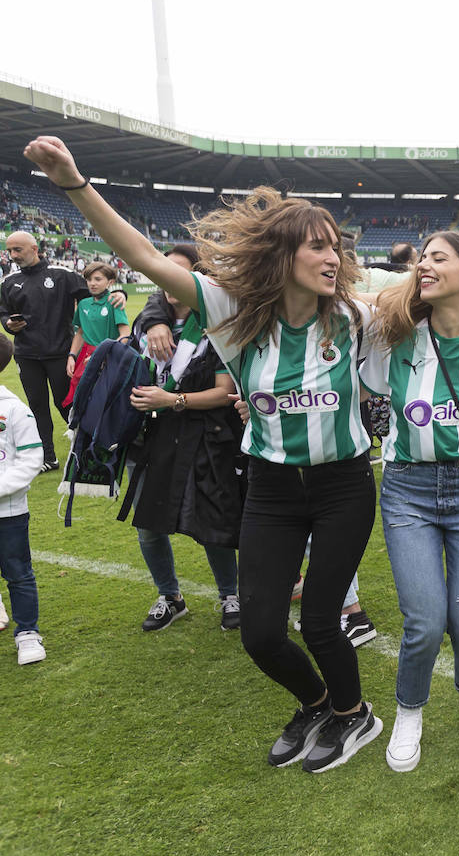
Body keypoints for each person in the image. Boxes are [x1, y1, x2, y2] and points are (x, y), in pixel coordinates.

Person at [25, 135, 384, 773]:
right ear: (283, 254)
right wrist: (73, 183)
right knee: (262, 632)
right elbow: (138, 254)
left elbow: (442, 298)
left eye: (336, 244)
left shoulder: (354, 317)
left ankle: (355, 716)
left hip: (343, 488)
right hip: (272, 490)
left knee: (324, 620)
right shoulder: (232, 311)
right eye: (318, 244)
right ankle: (317, 701)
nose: (333, 256)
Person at [365, 231, 459, 769]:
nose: (423, 265)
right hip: (408, 491)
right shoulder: (396, 336)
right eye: (421, 258)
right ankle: (410, 707)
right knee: (426, 620)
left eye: (437, 259)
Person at [125, 244, 243, 633]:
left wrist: (171, 399)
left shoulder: (217, 322)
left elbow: (224, 392)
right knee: (149, 524)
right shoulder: (148, 321)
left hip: (203, 436)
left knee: (212, 518)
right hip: (151, 437)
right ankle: (169, 596)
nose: (167, 277)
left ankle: (231, 594)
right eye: (161, 270)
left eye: (177, 271)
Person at [1, 230, 127, 471]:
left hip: (60, 353)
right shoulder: (8, 281)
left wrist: (119, 293)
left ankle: (88, 447)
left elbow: (95, 292)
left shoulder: (62, 275)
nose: (13, 255)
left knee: (66, 404)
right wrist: (8, 323)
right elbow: (4, 312)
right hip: (27, 355)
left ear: (34, 249)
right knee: (36, 405)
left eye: (17, 249)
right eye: (10, 251)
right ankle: (48, 457)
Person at [0, 335, 47, 664]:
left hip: (9, 513)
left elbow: (32, 459)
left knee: (18, 572)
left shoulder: (13, 409)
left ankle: (28, 634)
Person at [65, 261, 130, 404]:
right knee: (81, 395)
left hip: (108, 356)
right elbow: (81, 333)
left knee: (103, 398)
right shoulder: (83, 304)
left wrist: (105, 354)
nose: (92, 283)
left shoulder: (114, 301)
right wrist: (71, 356)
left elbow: (125, 333)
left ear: (110, 282)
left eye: (98, 279)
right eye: (89, 280)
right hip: (86, 355)